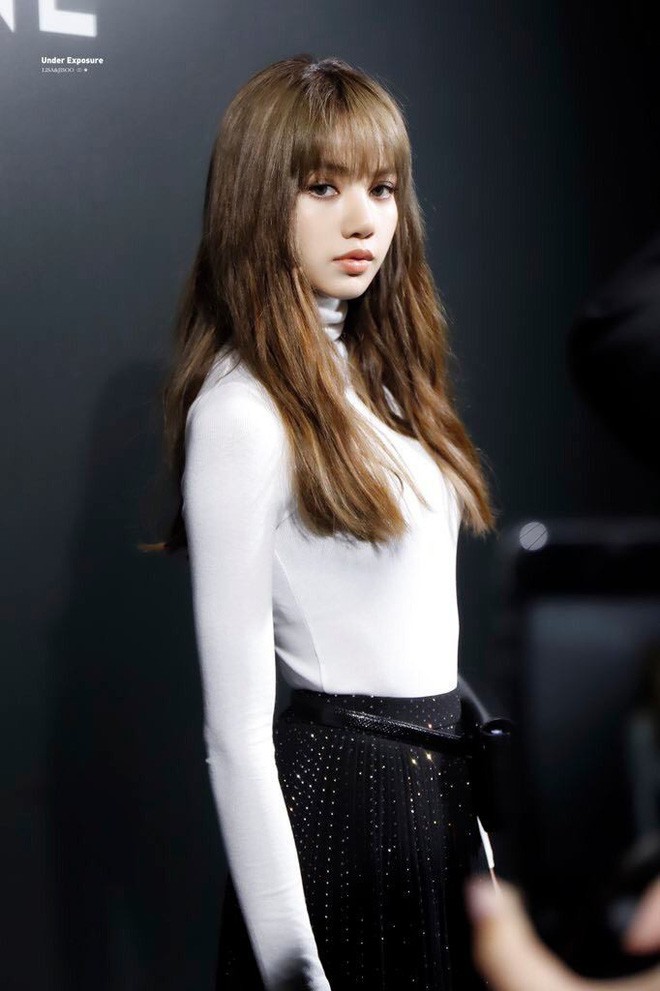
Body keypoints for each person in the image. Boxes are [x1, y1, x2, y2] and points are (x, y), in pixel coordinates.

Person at [154, 54, 498, 991]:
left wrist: (479, 847)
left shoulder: (391, 384)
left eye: (382, 188)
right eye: (323, 186)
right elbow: (235, 736)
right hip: (341, 819)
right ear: (258, 200)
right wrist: (291, 966)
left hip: (439, 809)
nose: (364, 219)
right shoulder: (241, 413)